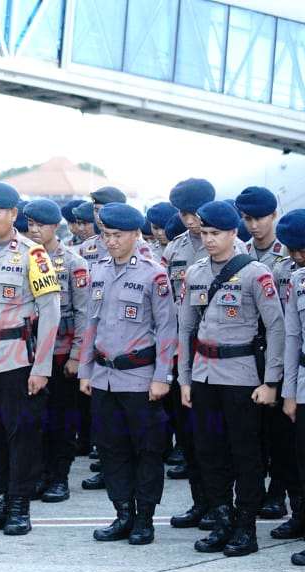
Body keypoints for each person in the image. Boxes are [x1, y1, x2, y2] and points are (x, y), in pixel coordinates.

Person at [179, 200, 285, 557]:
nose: (209, 239)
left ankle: (245, 528)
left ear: (232, 233)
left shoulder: (255, 273)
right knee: (209, 452)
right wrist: (185, 379)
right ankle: (222, 521)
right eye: (205, 233)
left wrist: (271, 381)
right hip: (204, 377)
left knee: (245, 455)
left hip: (242, 378)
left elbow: (276, 328)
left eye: (216, 233)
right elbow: (185, 329)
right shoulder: (195, 273)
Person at [0, 182, 61, 535]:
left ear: (13, 214)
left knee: (21, 434)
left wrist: (42, 367)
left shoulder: (33, 255)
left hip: (16, 357)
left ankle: (19, 507)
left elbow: (50, 312)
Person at [76, 203, 177, 545]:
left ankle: (144, 518)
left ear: (135, 234)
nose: (111, 242)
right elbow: (91, 324)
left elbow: (167, 329)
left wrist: (162, 376)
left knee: (146, 450)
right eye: (106, 235)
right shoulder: (99, 270)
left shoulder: (153, 274)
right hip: (103, 376)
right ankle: (122, 514)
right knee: (111, 448)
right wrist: (85, 369)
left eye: (118, 235)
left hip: (139, 377)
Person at [235, 186, 296, 521]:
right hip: (247, 352)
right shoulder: (239, 254)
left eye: (259, 218)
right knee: (251, 430)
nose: (254, 225)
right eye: (247, 219)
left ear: (274, 215)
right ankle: (254, 491)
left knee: (280, 432)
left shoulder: (289, 252)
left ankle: (278, 493)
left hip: (282, 349)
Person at [24, 199, 89, 502]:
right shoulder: (24, 257)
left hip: (62, 352)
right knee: (34, 419)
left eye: (41, 225)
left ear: (55, 227)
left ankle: (59, 477)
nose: (35, 230)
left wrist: (77, 356)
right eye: (30, 224)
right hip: (29, 351)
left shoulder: (74, 263)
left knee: (61, 419)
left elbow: (85, 314)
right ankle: (38, 474)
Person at [164, 178, 219, 529]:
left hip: (221, 355)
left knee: (217, 438)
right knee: (188, 435)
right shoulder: (174, 250)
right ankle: (201, 502)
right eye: (183, 214)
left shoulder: (233, 246)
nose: (188, 220)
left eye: (193, 213)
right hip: (182, 352)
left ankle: (221, 505)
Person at [275, 209, 305, 563]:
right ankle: (300, 516)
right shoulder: (298, 280)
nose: (297, 256)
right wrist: (290, 393)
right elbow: (293, 337)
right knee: (300, 458)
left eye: (303, 250)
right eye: (292, 250)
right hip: (303, 381)